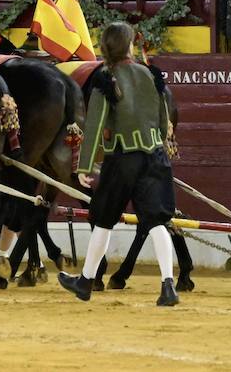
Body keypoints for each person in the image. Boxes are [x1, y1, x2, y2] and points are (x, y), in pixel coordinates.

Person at [59, 21, 180, 307]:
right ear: (129, 45)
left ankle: (86, 281)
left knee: (103, 219)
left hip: (122, 158)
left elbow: (94, 125)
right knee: (157, 221)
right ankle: (167, 285)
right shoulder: (151, 74)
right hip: (154, 157)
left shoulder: (106, 78)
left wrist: (84, 166)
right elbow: (164, 125)